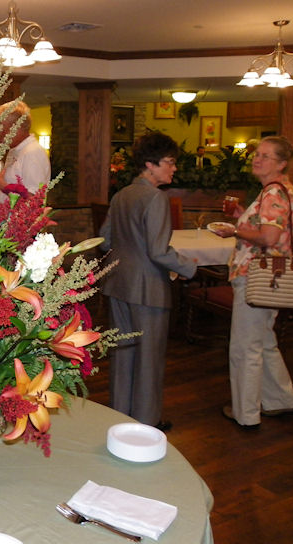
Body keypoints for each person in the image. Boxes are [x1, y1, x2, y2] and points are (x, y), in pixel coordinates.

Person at [100, 132, 197, 430]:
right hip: (148, 289)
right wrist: (188, 266)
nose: (173, 168)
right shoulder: (156, 198)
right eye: (169, 162)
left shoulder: (121, 195)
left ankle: (119, 417)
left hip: (118, 283)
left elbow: (105, 240)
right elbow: (158, 251)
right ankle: (146, 422)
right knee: (149, 359)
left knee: (123, 354)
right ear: (150, 164)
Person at [209, 135, 293, 429]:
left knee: (245, 347)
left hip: (256, 277)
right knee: (263, 341)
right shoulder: (284, 190)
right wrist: (242, 216)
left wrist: (234, 231)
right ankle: (283, 399)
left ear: (282, 163)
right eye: (257, 154)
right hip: (272, 278)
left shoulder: (273, 193)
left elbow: (269, 237)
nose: (257, 159)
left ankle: (246, 414)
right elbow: (272, 229)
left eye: (265, 156)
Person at [0, 101, 51, 205]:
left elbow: (34, 201)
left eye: (1, 128)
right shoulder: (16, 150)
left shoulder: (33, 153)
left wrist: (1, 185)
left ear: (16, 127)